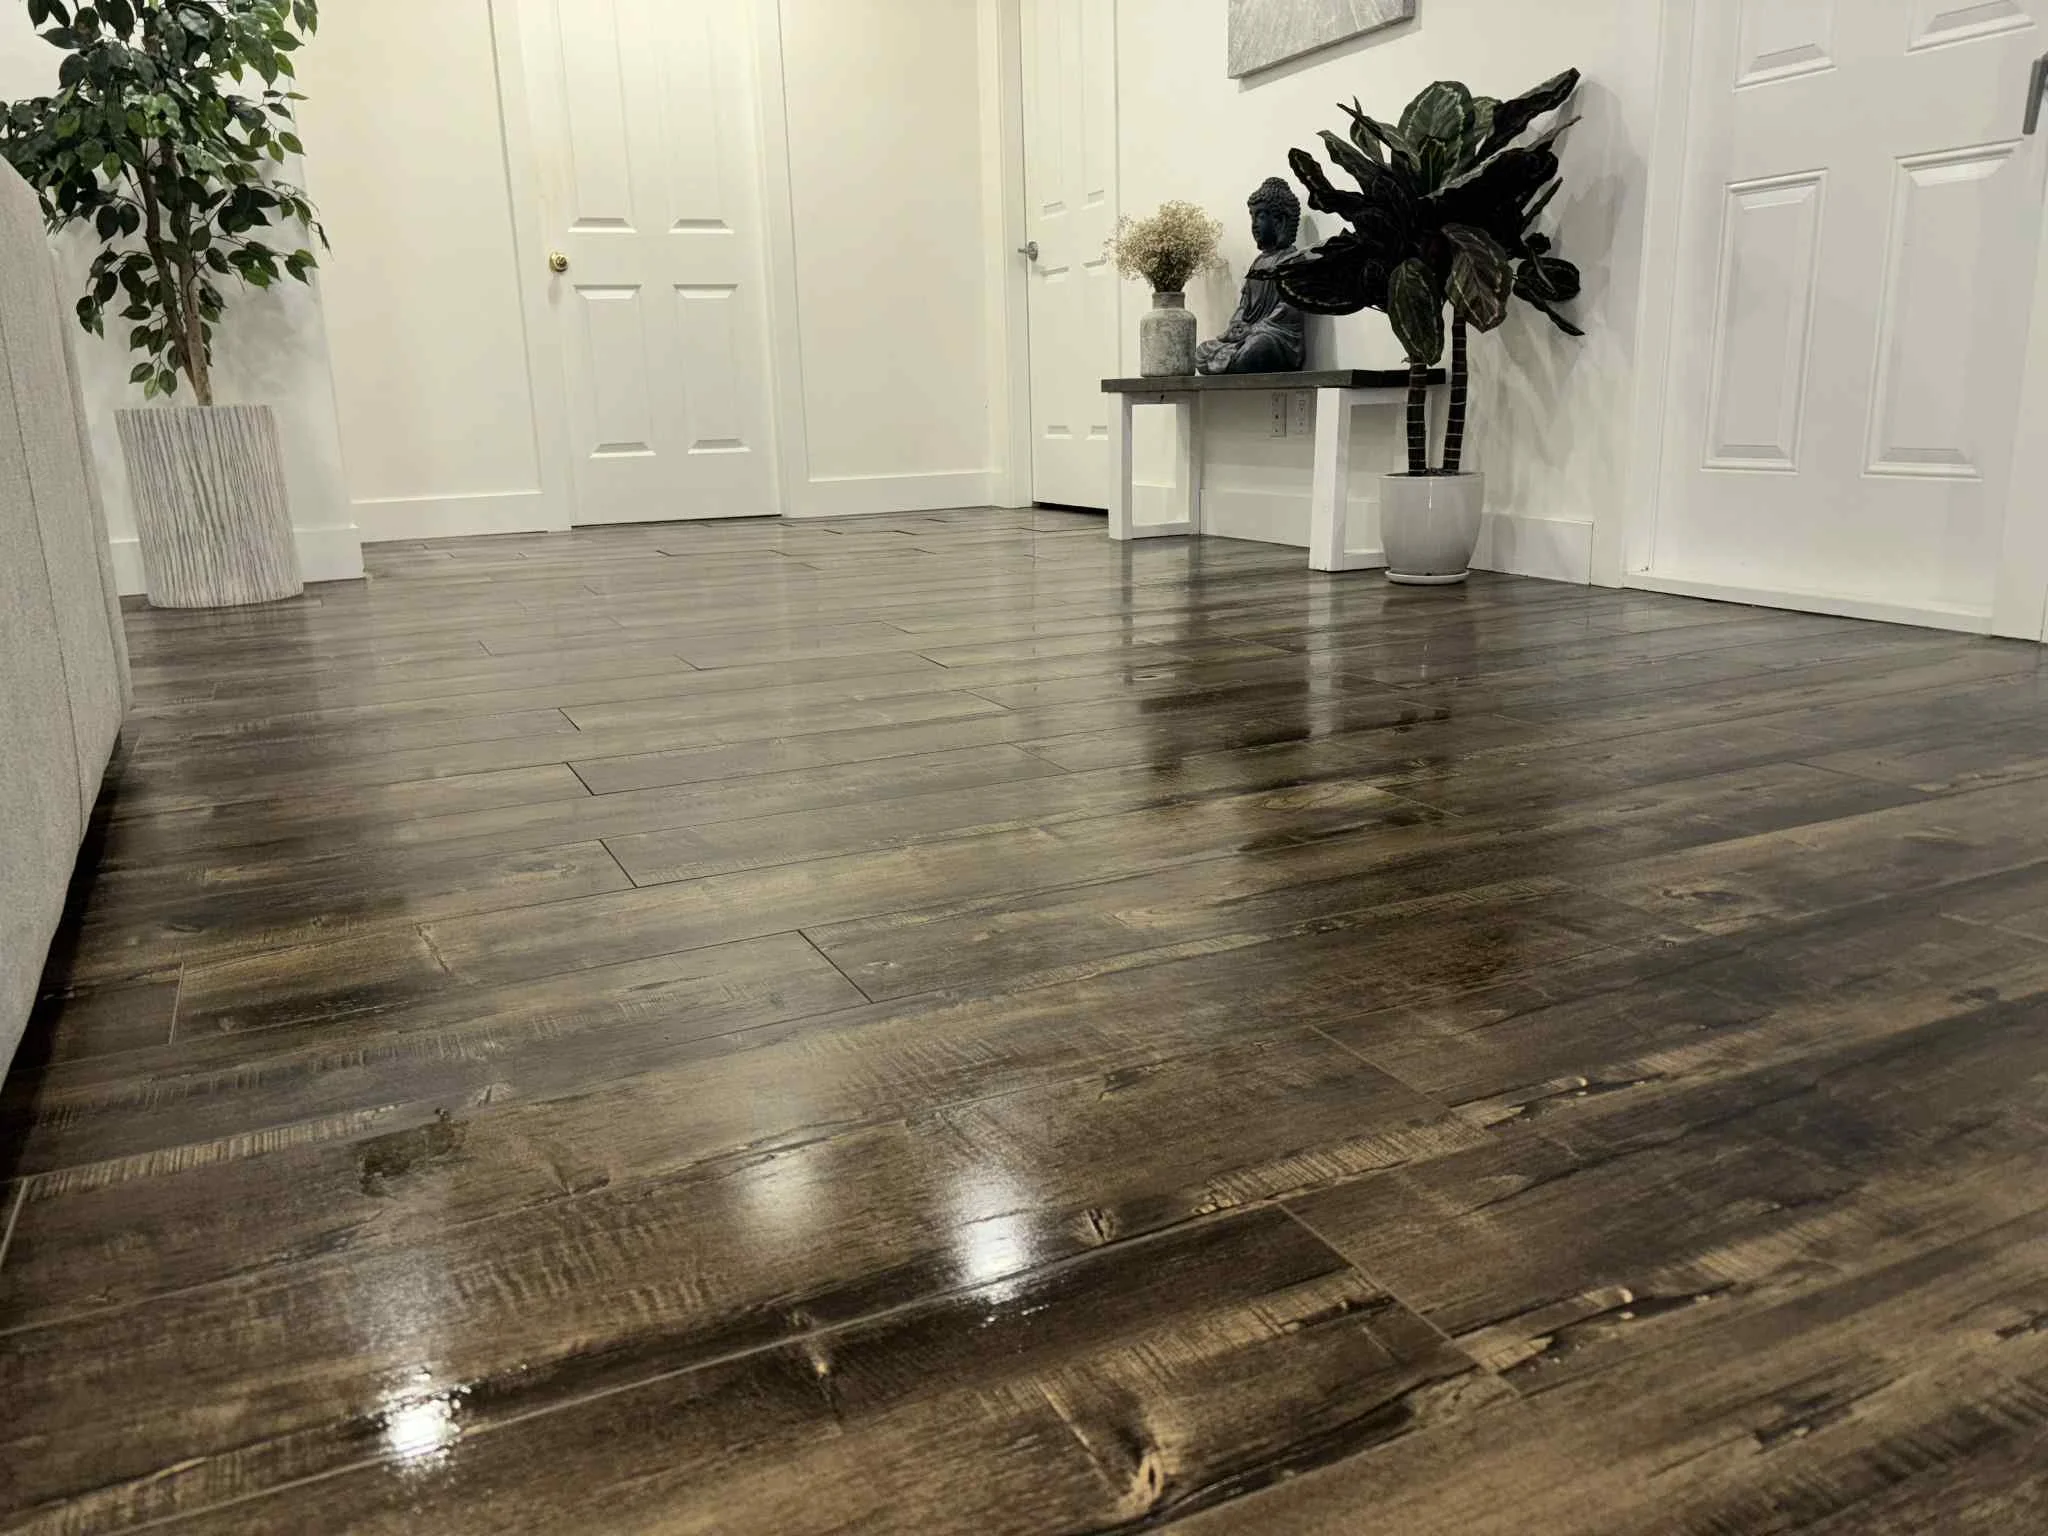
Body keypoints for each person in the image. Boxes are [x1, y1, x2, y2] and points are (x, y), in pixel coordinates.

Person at [1195, 177, 1308, 375]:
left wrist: (1254, 330)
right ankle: (1233, 354)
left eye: (1261, 216)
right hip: (1248, 335)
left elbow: (1288, 309)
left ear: (1280, 221)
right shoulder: (1258, 263)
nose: (1254, 224)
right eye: (1252, 217)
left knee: (1257, 347)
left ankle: (1235, 356)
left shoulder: (1293, 259)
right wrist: (1236, 325)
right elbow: (1244, 303)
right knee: (1200, 353)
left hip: (1278, 336)